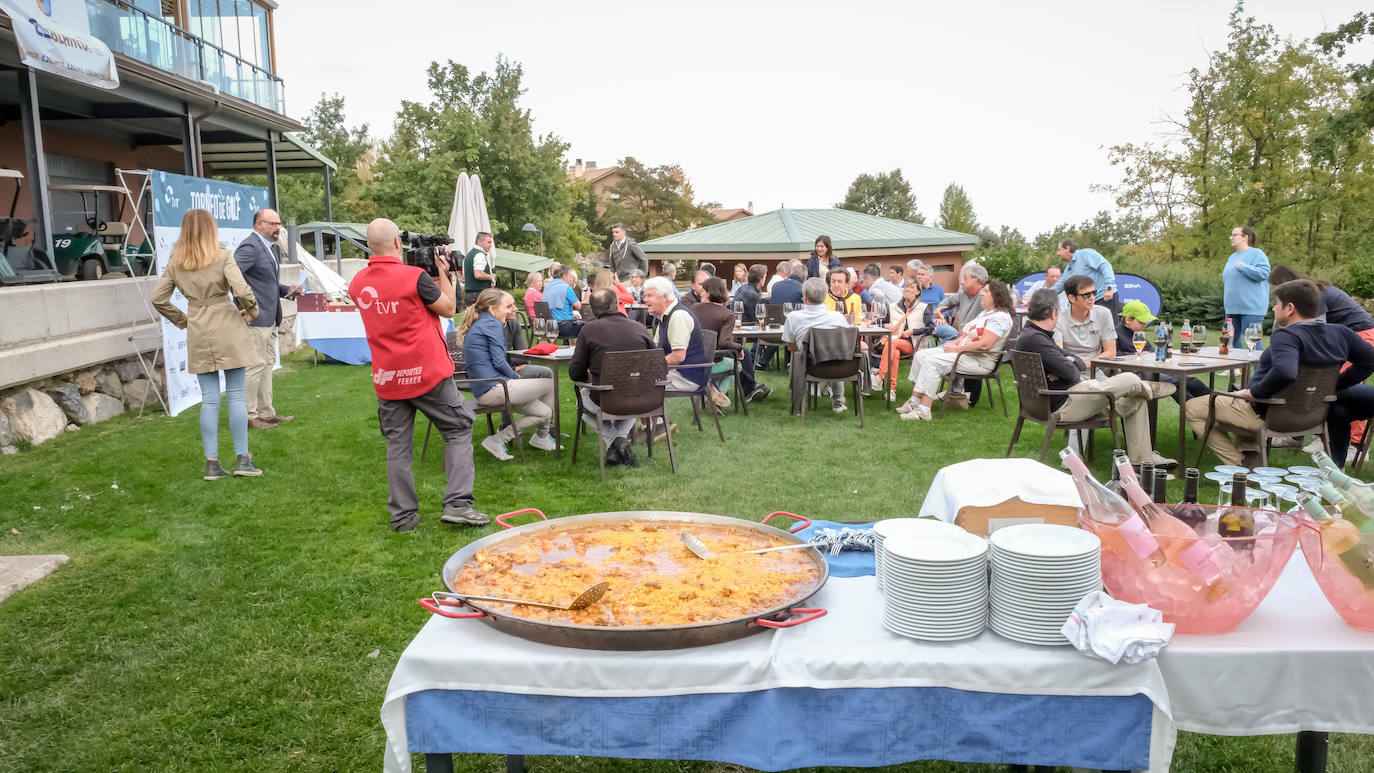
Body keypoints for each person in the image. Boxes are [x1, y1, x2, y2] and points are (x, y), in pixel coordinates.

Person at [348, 218, 487, 531]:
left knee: (398, 446)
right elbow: (449, 309)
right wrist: (444, 273)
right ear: (398, 242)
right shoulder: (414, 278)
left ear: (370, 246)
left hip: (388, 377)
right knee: (458, 428)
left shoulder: (358, 283)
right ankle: (458, 504)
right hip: (427, 373)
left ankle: (403, 516)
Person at [1184, 279, 1374, 468]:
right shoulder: (1341, 333)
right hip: (1313, 414)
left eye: (1277, 304)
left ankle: (1239, 467)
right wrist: (1337, 384)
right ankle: (1251, 455)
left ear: (1290, 308)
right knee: (1234, 398)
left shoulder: (1287, 336)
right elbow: (1370, 360)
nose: (1274, 309)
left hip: (1268, 412)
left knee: (1193, 407)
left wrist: (1253, 393)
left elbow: (1285, 372)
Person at [151, 209, 262, 480]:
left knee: (210, 400)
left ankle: (212, 462)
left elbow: (158, 299)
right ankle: (242, 459)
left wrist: (184, 321)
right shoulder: (222, 255)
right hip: (226, 323)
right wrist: (251, 310)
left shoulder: (177, 261)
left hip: (198, 327)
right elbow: (243, 290)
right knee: (236, 395)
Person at [1014, 289, 1175, 467]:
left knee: (1135, 402)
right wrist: (1067, 366)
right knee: (1128, 378)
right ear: (1054, 313)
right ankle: (1147, 387)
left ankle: (1143, 461)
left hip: (1063, 398)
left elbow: (1070, 359)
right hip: (1067, 404)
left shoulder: (1031, 335)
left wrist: (1066, 364)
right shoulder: (1038, 340)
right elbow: (1072, 373)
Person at [459, 288, 557, 460]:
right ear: (492, 309)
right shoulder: (492, 324)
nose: (513, 309)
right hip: (494, 389)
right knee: (550, 384)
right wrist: (515, 376)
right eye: (508, 306)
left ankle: (498, 440)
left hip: (489, 388)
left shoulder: (482, 323)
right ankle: (542, 436)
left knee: (544, 413)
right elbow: (499, 361)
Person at [898, 280, 1014, 421]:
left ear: (997, 295)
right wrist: (953, 343)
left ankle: (924, 410)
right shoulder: (986, 313)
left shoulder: (1000, 317)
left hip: (979, 361)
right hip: (965, 354)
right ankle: (915, 402)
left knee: (931, 362)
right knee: (921, 355)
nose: (982, 294)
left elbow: (985, 345)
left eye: (986, 291)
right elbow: (966, 335)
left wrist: (957, 348)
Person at [569, 288, 657, 466]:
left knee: (582, 401)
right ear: (617, 304)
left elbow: (575, 372)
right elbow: (656, 363)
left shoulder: (589, 330)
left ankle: (614, 441)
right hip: (642, 397)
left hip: (605, 397)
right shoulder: (639, 328)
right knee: (631, 392)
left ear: (592, 310)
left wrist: (588, 378)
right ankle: (619, 442)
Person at [233, 208, 300, 430]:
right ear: (258, 224)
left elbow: (266, 284)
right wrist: (243, 307)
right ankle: (249, 417)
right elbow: (232, 277)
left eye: (278, 224)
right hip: (256, 319)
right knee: (255, 367)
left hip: (270, 319)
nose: (278, 228)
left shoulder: (269, 248)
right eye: (273, 224)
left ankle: (266, 412)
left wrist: (287, 290)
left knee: (267, 365)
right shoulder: (250, 246)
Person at [781, 277, 851, 412]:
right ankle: (839, 403)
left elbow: (790, 346)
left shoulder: (794, 317)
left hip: (808, 367)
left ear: (804, 296)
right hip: (838, 366)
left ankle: (798, 405)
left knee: (797, 356)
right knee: (836, 352)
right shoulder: (837, 317)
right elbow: (845, 343)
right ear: (825, 296)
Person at [1115, 301, 1208, 402]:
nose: (1145, 325)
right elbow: (1113, 355)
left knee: (1193, 382)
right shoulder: (1115, 334)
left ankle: (1216, 405)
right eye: (1142, 322)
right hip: (1134, 372)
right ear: (1128, 320)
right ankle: (1195, 410)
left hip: (1152, 368)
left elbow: (1150, 350)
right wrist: (1133, 355)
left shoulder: (1139, 333)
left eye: (1146, 322)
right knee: (1175, 383)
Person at [642, 276, 709, 392]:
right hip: (675, 370)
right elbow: (656, 348)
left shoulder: (678, 316)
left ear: (664, 297)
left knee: (637, 383)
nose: (644, 299)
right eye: (645, 295)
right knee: (634, 377)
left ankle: (650, 410)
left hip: (686, 377)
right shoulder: (664, 315)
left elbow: (678, 356)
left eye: (649, 296)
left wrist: (652, 367)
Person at [874, 281, 935, 400]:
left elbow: (931, 329)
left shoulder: (923, 307)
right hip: (894, 343)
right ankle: (891, 390)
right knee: (895, 353)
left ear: (917, 292)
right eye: (906, 287)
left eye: (912, 287)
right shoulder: (893, 307)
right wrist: (886, 326)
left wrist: (913, 331)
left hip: (913, 343)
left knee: (893, 343)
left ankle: (880, 376)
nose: (907, 289)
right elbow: (879, 322)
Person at [692, 277, 746, 410]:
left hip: (692, 361)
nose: (700, 293)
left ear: (709, 293)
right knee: (737, 366)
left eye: (703, 291)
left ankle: (711, 389)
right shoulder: (727, 314)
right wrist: (739, 348)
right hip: (712, 362)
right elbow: (724, 341)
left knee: (726, 362)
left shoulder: (694, 308)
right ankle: (716, 395)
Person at [1223, 226, 1271, 350]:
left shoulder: (1257, 254)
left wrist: (1244, 267)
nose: (1231, 237)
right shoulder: (1232, 257)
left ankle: (1260, 370)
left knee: (1253, 342)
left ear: (1245, 237)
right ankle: (1234, 370)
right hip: (1232, 308)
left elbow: (1264, 273)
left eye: (1234, 235)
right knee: (1230, 341)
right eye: (1231, 235)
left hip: (1251, 308)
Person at [1054, 275, 1118, 366]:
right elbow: (1058, 355)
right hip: (1070, 371)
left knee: (1131, 378)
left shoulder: (1104, 313)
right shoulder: (1059, 318)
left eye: (1094, 293)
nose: (1092, 298)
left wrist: (1083, 365)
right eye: (1086, 295)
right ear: (1071, 298)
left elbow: (1111, 353)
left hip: (1095, 370)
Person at [732, 264, 772, 402]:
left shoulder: (744, 288)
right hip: (742, 330)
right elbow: (756, 316)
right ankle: (750, 388)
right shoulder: (751, 293)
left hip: (739, 330)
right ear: (762, 278)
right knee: (774, 339)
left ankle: (752, 386)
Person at [1051, 239, 1118, 315]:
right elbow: (1059, 286)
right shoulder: (1068, 269)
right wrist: (1042, 296)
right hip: (1089, 304)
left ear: (1067, 248)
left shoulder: (1085, 254)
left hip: (1105, 298)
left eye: (1059, 250)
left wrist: (1109, 288)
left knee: (1109, 327)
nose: (1057, 253)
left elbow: (1106, 266)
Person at [933, 264, 988, 344]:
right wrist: (939, 310)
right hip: (959, 340)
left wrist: (970, 328)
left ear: (976, 280)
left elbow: (988, 322)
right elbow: (947, 301)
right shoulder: (963, 294)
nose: (961, 282)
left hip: (970, 343)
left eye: (965, 279)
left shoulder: (984, 296)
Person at [543, 265, 584, 338]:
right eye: (571, 277)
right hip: (563, 327)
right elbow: (580, 307)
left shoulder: (548, 287)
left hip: (549, 326)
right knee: (591, 327)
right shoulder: (566, 287)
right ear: (564, 277)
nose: (573, 280)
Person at [463, 231, 496, 306]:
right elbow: (478, 274)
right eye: (489, 242)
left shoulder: (471, 254)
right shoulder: (479, 255)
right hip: (478, 295)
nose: (491, 245)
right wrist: (490, 277)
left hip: (470, 294)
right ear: (479, 242)